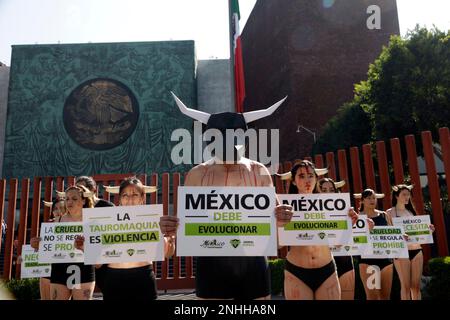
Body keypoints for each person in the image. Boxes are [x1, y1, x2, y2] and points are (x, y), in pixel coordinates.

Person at [160, 92, 293, 300]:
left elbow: (279, 231)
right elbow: (178, 232)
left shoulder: (259, 171)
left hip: (253, 260)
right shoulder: (197, 174)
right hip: (211, 261)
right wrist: (169, 232)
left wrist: (283, 217)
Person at [74, 177, 175, 300]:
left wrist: (171, 239)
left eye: (135, 194)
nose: (130, 199)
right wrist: (85, 248)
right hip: (114, 280)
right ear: (120, 198)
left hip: (143, 278)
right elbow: (98, 264)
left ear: (142, 198)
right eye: (125, 195)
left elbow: (167, 254)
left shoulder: (152, 219)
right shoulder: (107, 221)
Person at [278, 160, 358, 300]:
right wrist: (278, 224)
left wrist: (349, 225)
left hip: (327, 269)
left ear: (316, 178)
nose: (307, 180)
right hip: (296, 272)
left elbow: (338, 244)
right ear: (294, 181)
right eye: (301, 176)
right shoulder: (284, 208)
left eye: (311, 175)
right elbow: (279, 244)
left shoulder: (330, 205)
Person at [31, 185, 96, 300]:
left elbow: (99, 251)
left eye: (74, 199)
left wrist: (84, 247)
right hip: (60, 267)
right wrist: (36, 244)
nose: (69, 202)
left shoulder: (93, 221)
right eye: (67, 199)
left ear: (84, 200)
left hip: (84, 268)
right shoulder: (57, 221)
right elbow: (46, 246)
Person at [386, 184, 435, 300]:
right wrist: (399, 235)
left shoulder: (411, 212)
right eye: (404, 194)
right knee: (406, 286)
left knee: (416, 287)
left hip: (417, 250)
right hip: (401, 252)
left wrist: (429, 231)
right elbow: (387, 232)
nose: (407, 197)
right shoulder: (389, 212)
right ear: (397, 196)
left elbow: (418, 233)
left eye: (408, 194)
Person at [317, 178, 355, 300]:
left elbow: (350, 234)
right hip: (322, 261)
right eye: (324, 190)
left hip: (344, 258)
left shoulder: (346, 210)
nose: (328, 192)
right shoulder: (311, 210)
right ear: (318, 192)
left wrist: (354, 223)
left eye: (332, 189)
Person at [74, 175, 114, 294]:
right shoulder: (77, 209)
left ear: (93, 190)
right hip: (83, 259)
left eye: (82, 189)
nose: (79, 192)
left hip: (104, 259)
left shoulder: (108, 206)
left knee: (108, 290)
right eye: (77, 189)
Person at [355, 188, 393, 300]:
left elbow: (392, 233)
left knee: (385, 297)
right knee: (372, 297)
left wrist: (402, 237)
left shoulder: (384, 215)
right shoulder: (357, 217)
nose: (372, 200)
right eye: (368, 198)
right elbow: (354, 240)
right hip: (368, 260)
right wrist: (367, 231)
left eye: (374, 198)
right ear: (361, 201)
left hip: (386, 259)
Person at [39, 197, 67, 300]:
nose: (59, 211)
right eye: (56, 208)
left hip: (68, 269)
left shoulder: (76, 224)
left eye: (62, 208)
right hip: (49, 268)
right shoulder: (48, 226)